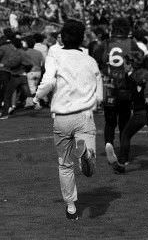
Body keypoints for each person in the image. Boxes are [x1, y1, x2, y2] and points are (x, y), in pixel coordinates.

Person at [35, 19, 102, 220]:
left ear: (62, 37)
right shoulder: (90, 60)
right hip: (84, 115)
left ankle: (71, 207)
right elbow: (98, 93)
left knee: (64, 164)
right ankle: (85, 160)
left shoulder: (55, 55)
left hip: (62, 117)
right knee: (89, 168)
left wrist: (37, 96)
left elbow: (48, 81)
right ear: (82, 39)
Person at [94, 17, 141, 163]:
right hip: (125, 87)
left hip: (109, 86)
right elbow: (139, 59)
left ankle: (109, 143)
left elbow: (97, 57)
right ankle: (124, 156)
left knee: (109, 121)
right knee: (124, 122)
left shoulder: (106, 43)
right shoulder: (131, 43)